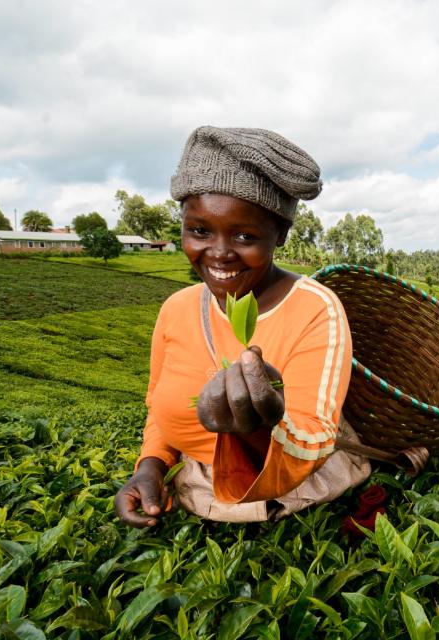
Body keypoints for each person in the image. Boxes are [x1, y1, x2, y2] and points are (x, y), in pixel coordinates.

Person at [114, 126, 369, 527]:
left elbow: (315, 438)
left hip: (281, 485)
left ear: (280, 234)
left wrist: (259, 430)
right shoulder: (176, 308)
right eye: (199, 231)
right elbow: (157, 408)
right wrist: (151, 466)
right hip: (193, 477)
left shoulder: (315, 308)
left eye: (244, 236)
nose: (218, 253)